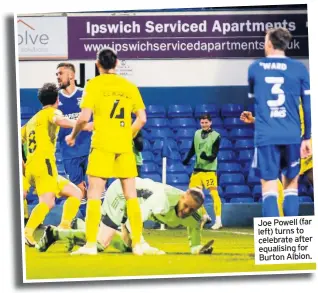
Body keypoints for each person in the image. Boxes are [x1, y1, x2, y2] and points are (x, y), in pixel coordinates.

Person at [65, 48, 147, 255]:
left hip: (102, 144)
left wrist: (72, 136)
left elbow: (84, 117)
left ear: (97, 64)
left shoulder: (93, 85)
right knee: (131, 195)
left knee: (93, 194)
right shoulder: (129, 86)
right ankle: (137, 244)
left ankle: (91, 245)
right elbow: (142, 119)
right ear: (117, 63)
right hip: (123, 146)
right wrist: (127, 135)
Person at [36, 177, 214, 255]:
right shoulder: (161, 199)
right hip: (121, 193)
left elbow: (195, 244)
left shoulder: (195, 216)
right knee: (100, 244)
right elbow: (131, 224)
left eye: (191, 210)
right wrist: (143, 246)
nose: (186, 212)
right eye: (185, 207)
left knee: (126, 247)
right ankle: (55, 233)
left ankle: (80, 226)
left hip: (133, 203)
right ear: (182, 197)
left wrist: (199, 250)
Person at [247, 27, 311, 217]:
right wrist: (307, 137)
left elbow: (254, 98)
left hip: (266, 135)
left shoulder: (255, 68)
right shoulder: (299, 68)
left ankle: (273, 243)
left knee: (269, 186)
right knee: (291, 184)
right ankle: (290, 241)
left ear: (268, 43)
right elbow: (307, 106)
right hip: (292, 134)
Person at [22, 83, 92, 247]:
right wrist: (80, 124)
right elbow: (59, 120)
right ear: (57, 99)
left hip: (34, 167)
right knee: (48, 202)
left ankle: (64, 226)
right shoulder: (52, 112)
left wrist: (23, 163)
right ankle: (27, 232)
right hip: (44, 164)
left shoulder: (33, 119)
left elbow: (18, 137)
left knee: (75, 193)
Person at [56, 63, 92, 197]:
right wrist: (81, 125)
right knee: (79, 192)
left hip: (90, 149)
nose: (58, 77)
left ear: (71, 75)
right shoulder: (55, 99)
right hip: (69, 153)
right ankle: (85, 217)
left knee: (97, 188)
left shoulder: (85, 94)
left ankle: (100, 217)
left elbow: (96, 120)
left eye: (60, 73)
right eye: (57, 74)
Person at [182, 114, 222, 230]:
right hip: (197, 169)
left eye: (206, 122)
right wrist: (187, 159)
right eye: (202, 123)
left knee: (214, 194)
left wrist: (206, 157)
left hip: (209, 170)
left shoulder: (216, 136)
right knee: (193, 195)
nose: (204, 125)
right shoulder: (196, 134)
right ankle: (205, 215)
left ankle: (218, 220)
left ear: (210, 123)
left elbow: (214, 155)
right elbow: (193, 149)